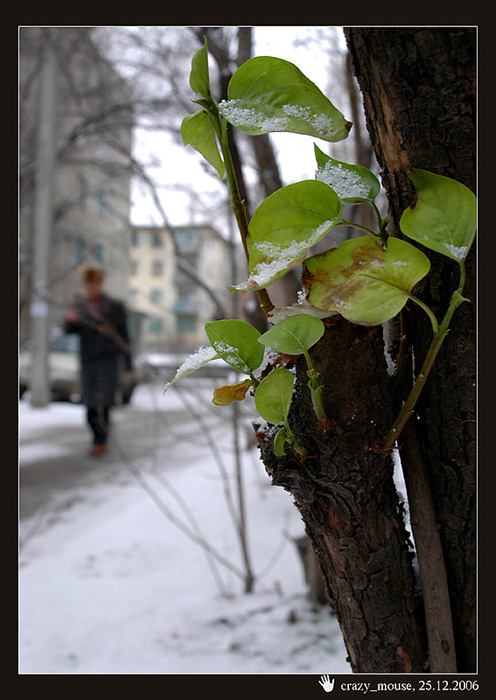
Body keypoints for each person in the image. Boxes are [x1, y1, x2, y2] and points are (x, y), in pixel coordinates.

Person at [64, 264, 133, 455]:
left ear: (99, 284)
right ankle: (96, 437)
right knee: (90, 405)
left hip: (108, 363)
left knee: (104, 404)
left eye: (94, 284)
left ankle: (101, 440)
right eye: (88, 285)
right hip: (88, 363)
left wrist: (128, 364)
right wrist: (70, 320)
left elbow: (124, 336)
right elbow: (69, 331)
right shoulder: (80, 307)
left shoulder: (114, 306)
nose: (90, 288)